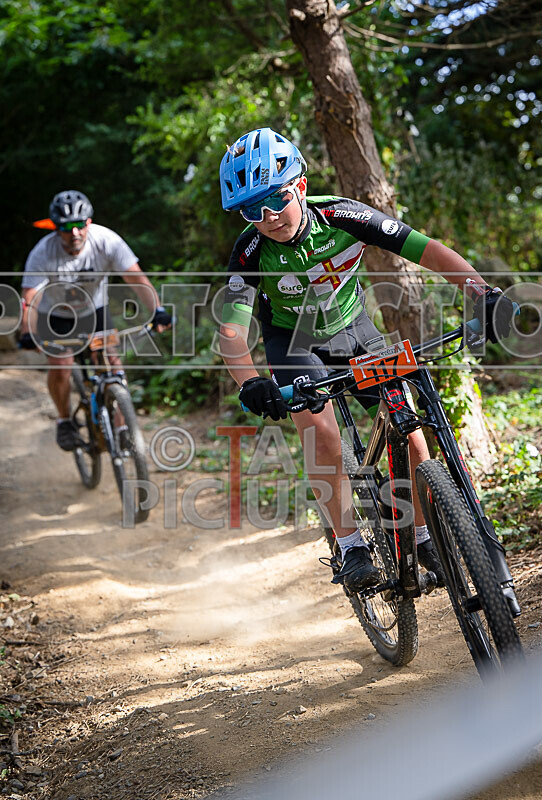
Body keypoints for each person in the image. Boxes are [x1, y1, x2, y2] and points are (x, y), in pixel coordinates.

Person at [218, 127, 515, 594]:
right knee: (321, 433)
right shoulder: (249, 252)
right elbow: (232, 332)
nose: (268, 215)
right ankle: (351, 545)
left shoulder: (341, 214)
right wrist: (250, 382)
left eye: (274, 198)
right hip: (292, 344)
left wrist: (484, 294)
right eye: (251, 209)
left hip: (354, 329)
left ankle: (420, 536)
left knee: (410, 428)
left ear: (298, 185)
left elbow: (427, 250)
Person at [19, 190, 172, 451]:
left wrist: (157, 310)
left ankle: (123, 428)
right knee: (61, 364)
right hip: (55, 315)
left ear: (88, 223)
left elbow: (136, 278)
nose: (75, 233)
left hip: (94, 311)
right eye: (67, 227)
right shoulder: (43, 253)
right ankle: (65, 421)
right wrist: (28, 331)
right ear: (56, 228)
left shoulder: (106, 241)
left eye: (80, 225)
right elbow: (31, 298)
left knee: (113, 363)